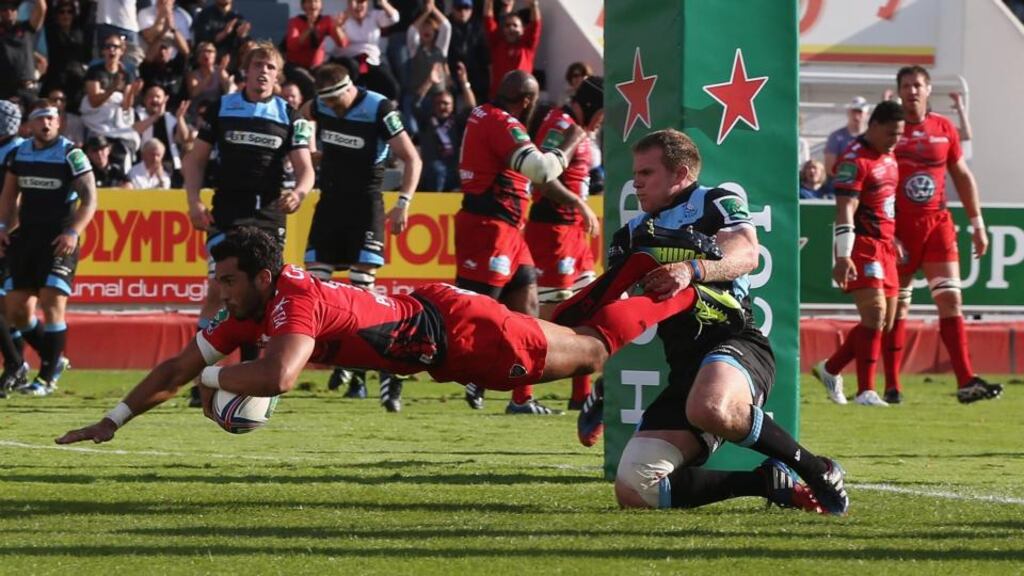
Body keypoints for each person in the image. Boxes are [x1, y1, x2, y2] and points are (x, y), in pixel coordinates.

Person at [55, 224, 746, 444]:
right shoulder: (258, 302)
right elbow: (179, 364)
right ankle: (632, 259)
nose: (219, 290)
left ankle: (674, 288)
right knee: (567, 330)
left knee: (589, 349)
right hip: (440, 326)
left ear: (261, 276)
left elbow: (277, 379)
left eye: (228, 279)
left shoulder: (292, 300)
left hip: (462, 338)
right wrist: (112, 420)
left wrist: (209, 385)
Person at [562, 129, 848, 516]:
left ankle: (818, 471)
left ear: (680, 173)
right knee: (635, 487)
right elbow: (614, 309)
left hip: (735, 343)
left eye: (647, 173)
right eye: (635, 173)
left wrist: (692, 269)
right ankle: (766, 482)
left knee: (710, 406)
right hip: (684, 368)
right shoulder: (631, 235)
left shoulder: (716, 201)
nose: (636, 182)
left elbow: (747, 254)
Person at [181, 41, 315, 408]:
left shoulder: (290, 115)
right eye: (257, 65)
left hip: (269, 216)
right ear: (246, 70)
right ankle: (200, 380)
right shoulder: (222, 107)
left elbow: (305, 169)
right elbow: (194, 161)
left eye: (270, 67)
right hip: (228, 213)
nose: (263, 72)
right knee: (218, 292)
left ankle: (251, 379)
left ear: (277, 74)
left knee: (264, 296)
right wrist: (193, 201)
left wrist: (300, 192)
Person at [456, 70, 584, 414]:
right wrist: (572, 140)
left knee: (526, 312)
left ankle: (521, 398)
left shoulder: (487, 115)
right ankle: (409, 366)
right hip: (488, 225)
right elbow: (542, 171)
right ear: (527, 100)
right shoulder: (501, 122)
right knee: (473, 314)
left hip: (509, 229)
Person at [298, 63, 421, 410]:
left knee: (359, 294)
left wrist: (404, 203)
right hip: (330, 204)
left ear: (346, 90)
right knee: (317, 292)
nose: (330, 110)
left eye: (335, 103)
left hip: (365, 206)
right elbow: (302, 114)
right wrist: (308, 148)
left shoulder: (380, 108)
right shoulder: (320, 104)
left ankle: (370, 373)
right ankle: (347, 366)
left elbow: (412, 158)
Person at [881, 66, 1002, 404]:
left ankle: (966, 381)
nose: (912, 91)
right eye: (906, 86)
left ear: (928, 89)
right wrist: (883, 230)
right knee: (897, 308)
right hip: (899, 229)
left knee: (950, 299)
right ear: (899, 91)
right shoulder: (889, 132)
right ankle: (892, 386)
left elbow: (962, 176)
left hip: (937, 226)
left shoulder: (944, 129)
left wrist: (978, 223)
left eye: (917, 85)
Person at [0, 100, 96, 396]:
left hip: (59, 240)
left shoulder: (71, 154)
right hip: (27, 238)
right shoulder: (20, 153)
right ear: (29, 125)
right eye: (40, 119)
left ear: (59, 122)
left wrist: (72, 231)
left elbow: (90, 198)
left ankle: (45, 379)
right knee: (15, 308)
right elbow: (9, 195)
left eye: (51, 119)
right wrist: (4, 228)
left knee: (52, 303)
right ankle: (53, 359)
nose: (46, 124)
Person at [811, 101, 904, 407]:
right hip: (862, 244)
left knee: (885, 323)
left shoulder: (890, 157)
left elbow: (888, 203)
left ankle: (830, 368)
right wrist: (843, 254)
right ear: (873, 126)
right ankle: (866, 391)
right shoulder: (854, 159)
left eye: (900, 134)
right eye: (891, 133)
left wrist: (896, 237)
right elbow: (845, 209)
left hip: (887, 245)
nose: (895, 139)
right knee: (874, 316)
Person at [523, 75, 602, 417]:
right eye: (601, 112)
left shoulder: (580, 129)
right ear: (588, 106)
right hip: (552, 230)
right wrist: (580, 204)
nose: (602, 120)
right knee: (544, 318)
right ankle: (519, 393)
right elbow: (542, 176)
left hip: (573, 234)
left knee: (589, 310)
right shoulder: (560, 124)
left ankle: (580, 395)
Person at [0, 100, 27, 396]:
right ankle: (17, 364)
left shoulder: (17, 151)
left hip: (10, 238)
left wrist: (5, 231)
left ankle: (17, 363)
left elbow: (15, 200)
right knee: (9, 309)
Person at [330, 0, 401, 100]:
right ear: (348, 4)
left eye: (361, 1)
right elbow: (341, 43)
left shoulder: (374, 15)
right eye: (354, 2)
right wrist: (337, 27)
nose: (358, 6)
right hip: (348, 61)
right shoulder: (341, 18)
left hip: (370, 61)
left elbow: (394, 18)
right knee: (353, 69)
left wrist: (383, 3)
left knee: (392, 88)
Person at [133, 84, 190, 186]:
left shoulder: (171, 118)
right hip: (143, 165)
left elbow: (183, 138)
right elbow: (136, 129)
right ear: (145, 100)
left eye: (158, 97)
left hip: (169, 165)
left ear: (164, 100)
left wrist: (180, 118)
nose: (155, 100)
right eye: (151, 96)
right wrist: (156, 116)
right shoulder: (138, 114)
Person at [483, 0, 540, 100]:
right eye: (507, 25)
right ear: (503, 29)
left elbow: (536, 24)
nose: (511, 28)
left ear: (523, 29)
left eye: (515, 25)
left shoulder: (527, 46)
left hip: (522, 101)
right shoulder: (496, 43)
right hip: (498, 99)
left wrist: (533, 5)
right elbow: (488, 19)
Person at [822, 96, 869, 197]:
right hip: (841, 186)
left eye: (860, 112)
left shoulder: (872, 137)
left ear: (866, 114)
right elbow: (829, 168)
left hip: (865, 186)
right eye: (854, 112)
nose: (856, 116)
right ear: (848, 113)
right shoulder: (836, 137)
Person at [0, 0, 45, 102]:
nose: (9, 12)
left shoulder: (26, 28)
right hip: (5, 91)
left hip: (28, 89)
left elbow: (41, 9)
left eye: (13, 8)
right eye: (4, 9)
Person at [446, 0, 488, 104]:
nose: (462, 12)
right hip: (453, 78)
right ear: (453, 9)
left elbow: (485, 56)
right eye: (459, 8)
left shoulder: (478, 27)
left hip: (475, 80)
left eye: (466, 8)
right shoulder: (446, 26)